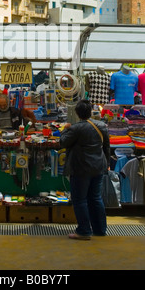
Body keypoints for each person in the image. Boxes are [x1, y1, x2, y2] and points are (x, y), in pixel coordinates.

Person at [60, 99, 110, 240]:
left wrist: (65, 130)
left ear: (77, 113)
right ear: (90, 111)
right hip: (98, 166)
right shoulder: (102, 126)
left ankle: (84, 231)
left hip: (81, 168)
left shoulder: (75, 128)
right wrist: (106, 163)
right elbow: (106, 146)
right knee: (95, 198)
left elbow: (62, 142)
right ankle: (100, 230)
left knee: (80, 200)